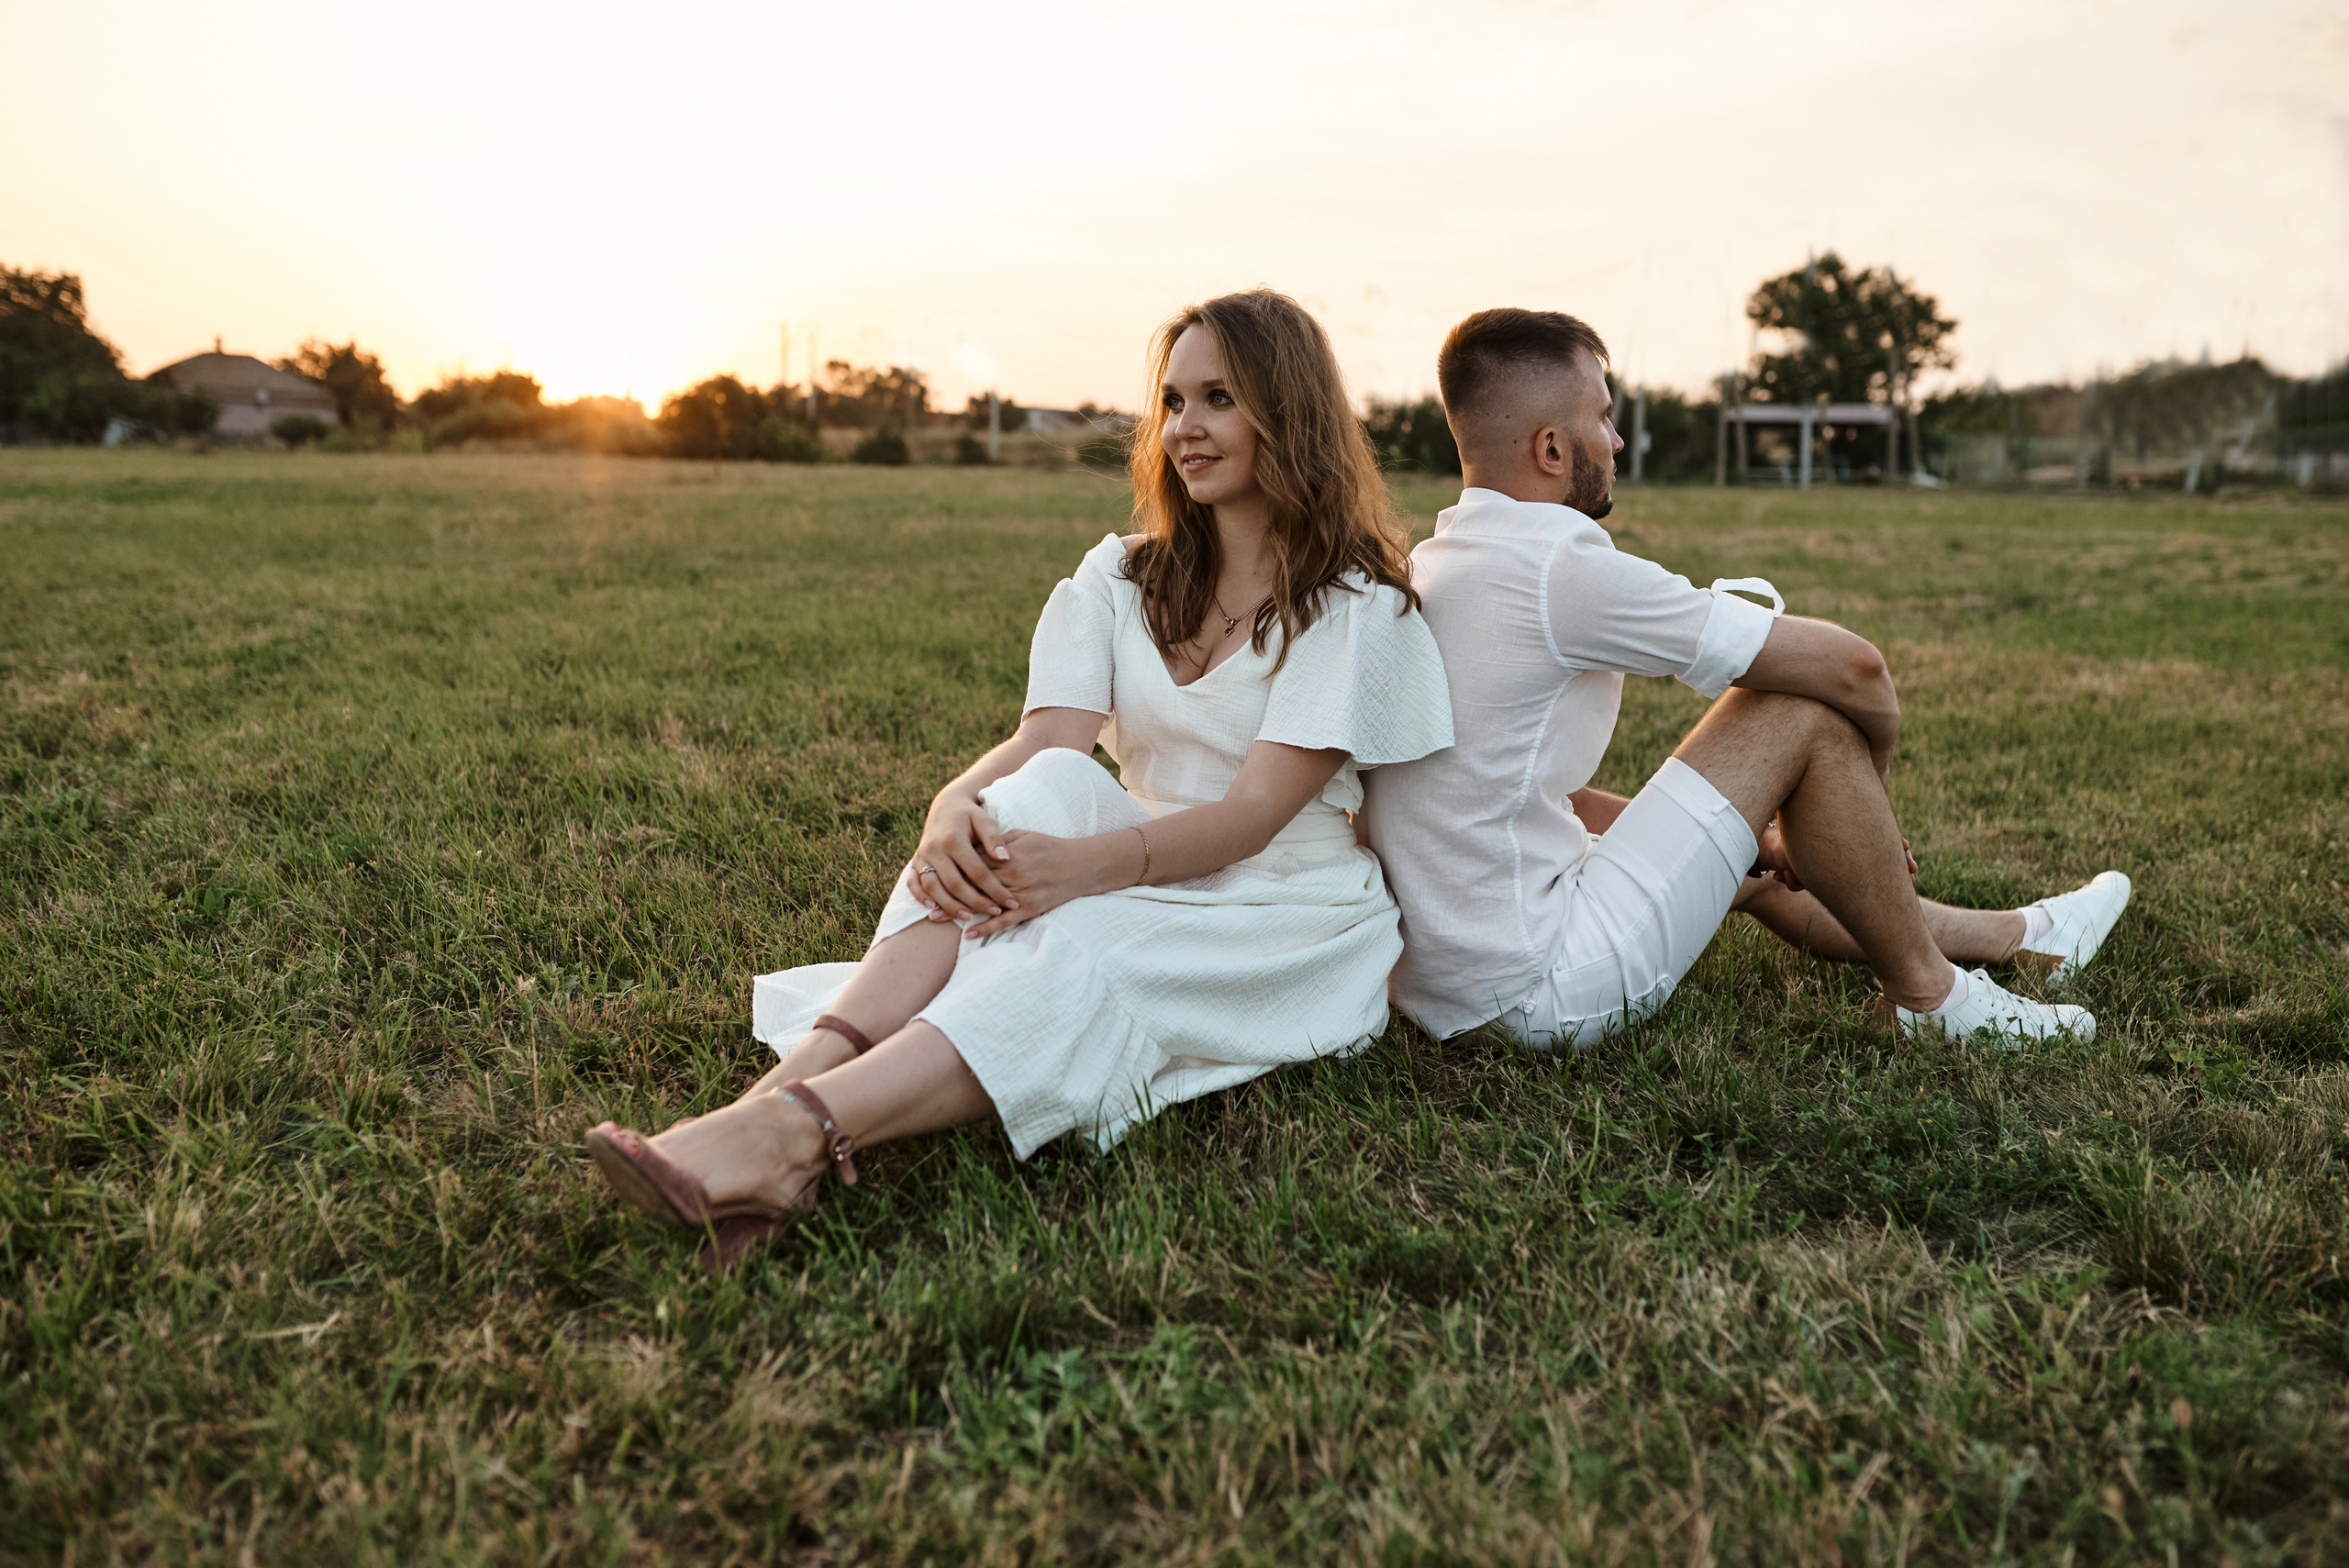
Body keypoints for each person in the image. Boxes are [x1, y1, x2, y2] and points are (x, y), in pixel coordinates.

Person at [588, 290, 1453, 1269]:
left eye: (1218, 398)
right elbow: (1048, 737)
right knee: (1020, 799)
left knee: (1079, 928)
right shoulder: (1124, 575)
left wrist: (1085, 868)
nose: (1184, 429)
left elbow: (1253, 815)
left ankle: (795, 1138)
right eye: (1171, 401)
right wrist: (951, 804)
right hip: (1135, 847)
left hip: (1284, 904)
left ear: (1287, 413)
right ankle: (782, 1093)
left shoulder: (1352, 608)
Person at [1359, 307, 2132, 1053]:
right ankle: (1931, 996)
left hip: (1443, 984)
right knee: (1798, 709)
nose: (1619, 438)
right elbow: (1855, 666)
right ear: (1554, 450)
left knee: (1755, 866)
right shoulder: (1556, 564)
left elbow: (1507, 797)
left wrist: (1765, 840)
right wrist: (1864, 794)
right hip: (1539, 986)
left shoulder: (1437, 564)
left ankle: (2023, 938)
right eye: (1604, 417)